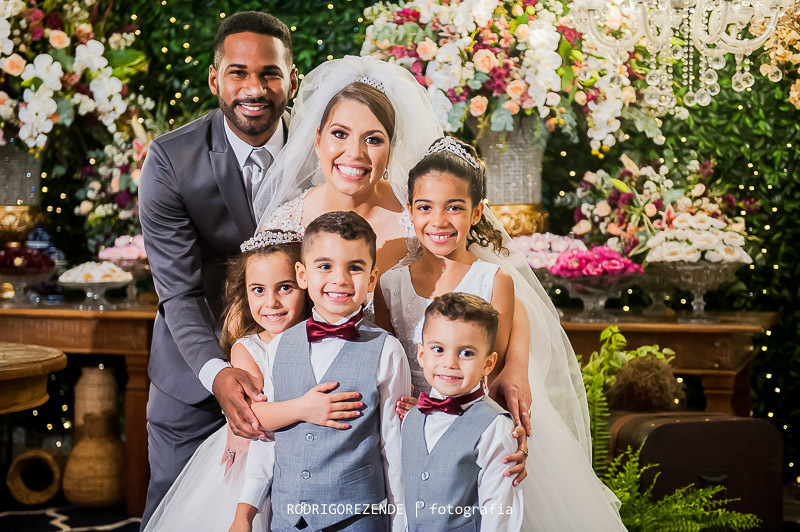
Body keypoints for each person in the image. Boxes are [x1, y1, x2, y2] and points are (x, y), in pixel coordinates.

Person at [380, 137, 625, 530]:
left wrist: (500, 432)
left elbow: (493, 373)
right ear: (410, 210)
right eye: (425, 207)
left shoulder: (494, 279)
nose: (439, 221)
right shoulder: (391, 285)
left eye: (454, 208)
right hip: (411, 432)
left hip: (477, 432)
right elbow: (387, 362)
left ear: (477, 212)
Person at [137, 11, 298, 526]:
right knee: (174, 515)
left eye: (269, 73)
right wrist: (219, 373)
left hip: (296, 376)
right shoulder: (170, 160)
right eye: (238, 72)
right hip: (194, 374)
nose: (254, 87)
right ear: (215, 79)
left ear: (292, 80)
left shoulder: (324, 153)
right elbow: (179, 294)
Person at [143, 230, 364, 531]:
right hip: (255, 470)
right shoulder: (249, 348)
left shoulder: (326, 337)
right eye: (258, 290)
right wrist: (305, 408)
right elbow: (253, 415)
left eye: (284, 288)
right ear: (245, 293)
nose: (271, 302)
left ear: (304, 281)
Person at [239, 211, 411, 531]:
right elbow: (268, 439)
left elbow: (393, 446)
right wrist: (244, 513)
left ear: (372, 278)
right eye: (325, 266)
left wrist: (401, 522)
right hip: (287, 518)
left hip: (357, 517)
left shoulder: (387, 351)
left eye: (355, 268)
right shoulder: (279, 346)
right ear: (303, 275)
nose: (340, 279)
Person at [403, 292, 523, 532]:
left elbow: (499, 509)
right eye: (438, 349)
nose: (450, 363)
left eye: (466, 353)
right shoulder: (411, 417)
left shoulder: (495, 426)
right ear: (422, 354)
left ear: (488, 364)